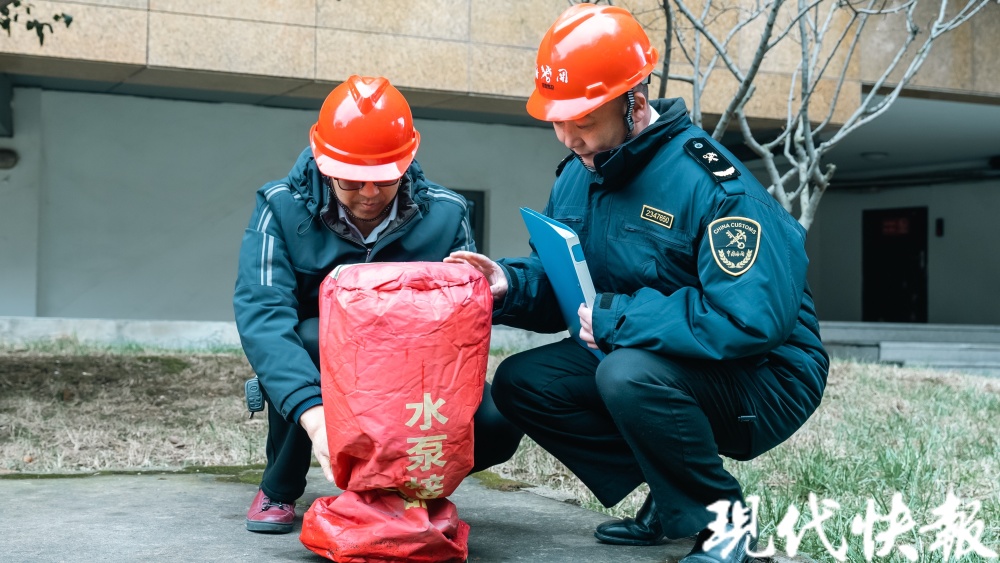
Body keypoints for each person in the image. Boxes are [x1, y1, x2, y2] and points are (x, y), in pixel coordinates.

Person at [445, 5, 828, 563]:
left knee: (627, 371)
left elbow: (749, 320)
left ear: (635, 103)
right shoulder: (583, 173)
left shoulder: (714, 186)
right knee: (526, 380)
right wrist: (506, 282)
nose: (568, 137)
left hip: (766, 374)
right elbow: (567, 287)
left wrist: (615, 321)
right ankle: (675, 498)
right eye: (558, 120)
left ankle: (723, 523)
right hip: (664, 354)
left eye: (583, 119)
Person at [234, 75, 523, 534]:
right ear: (324, 165)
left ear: (407, 161)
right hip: (323, 361)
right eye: (352, 182)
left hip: (417, 365)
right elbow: (264, 319)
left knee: (498, 419)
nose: (369, 195)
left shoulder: (447, 214)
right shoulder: (281, 208)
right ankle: (279, 486)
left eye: (384, 181)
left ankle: (404, 486)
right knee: (308, 339)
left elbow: (464, 327)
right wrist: (315, 418)